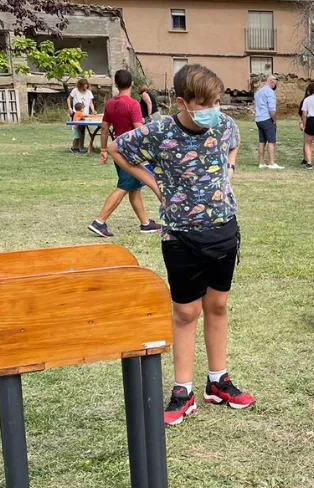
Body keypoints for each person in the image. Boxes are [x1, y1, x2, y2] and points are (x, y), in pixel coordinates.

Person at [110, 63, 255, 426]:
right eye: (204, 103)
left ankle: (218, 381)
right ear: (182, 102)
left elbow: (233, 145)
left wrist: (230, 171)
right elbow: (116, 148)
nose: (212, 109)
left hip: (223, 230)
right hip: (181, 236)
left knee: (218, 306)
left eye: (216, 102)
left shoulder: (225, 125)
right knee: (186, 312)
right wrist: (155, 185)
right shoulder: (159, 133)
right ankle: (183, 390)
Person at [89, 69, 162, 237]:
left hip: (116, 150)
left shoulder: (110, 104)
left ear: (116, 84)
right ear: (132, 84)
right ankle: (99, 222)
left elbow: (105, 128)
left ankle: (145, 223)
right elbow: (139, 130)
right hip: (130, 152)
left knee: (133, 187)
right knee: (124, 186)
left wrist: (103, 149)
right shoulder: (133, 104)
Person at [253, 75, 282, 169]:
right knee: (271, 140)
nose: (275, 86)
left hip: (258, 119)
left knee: (262, 141)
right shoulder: (270, 92)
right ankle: (272, 163)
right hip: (267, 118)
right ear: (271, 81)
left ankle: (261, 162)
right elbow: (272, 109)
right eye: (275, 83)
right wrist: (274, 120)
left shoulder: (258, 92)